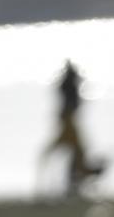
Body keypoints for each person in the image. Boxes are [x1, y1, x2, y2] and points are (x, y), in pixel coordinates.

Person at [42, 60, 105, 197]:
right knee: (76, 153)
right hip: (68, 120)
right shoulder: (69, 88)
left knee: (75, 154)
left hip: (68, 119)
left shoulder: (67, 87)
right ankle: (72, 183)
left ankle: (72, 184)